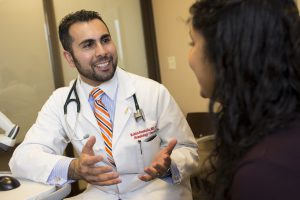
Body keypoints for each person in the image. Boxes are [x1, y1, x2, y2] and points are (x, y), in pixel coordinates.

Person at [9, 10, 199, 199]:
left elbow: (189, 150)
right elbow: (22, 159)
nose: (102, 52)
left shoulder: (152, 92)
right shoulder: (61, 102)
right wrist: (75, 168)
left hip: (156, 193)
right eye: (88, 45)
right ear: (69, 58)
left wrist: (169, 165)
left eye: (105, 40)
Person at [188, 0, 300, 199]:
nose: (189, 57)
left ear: (224, 53)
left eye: (193, 42)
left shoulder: (263, 174)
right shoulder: (275, 123)